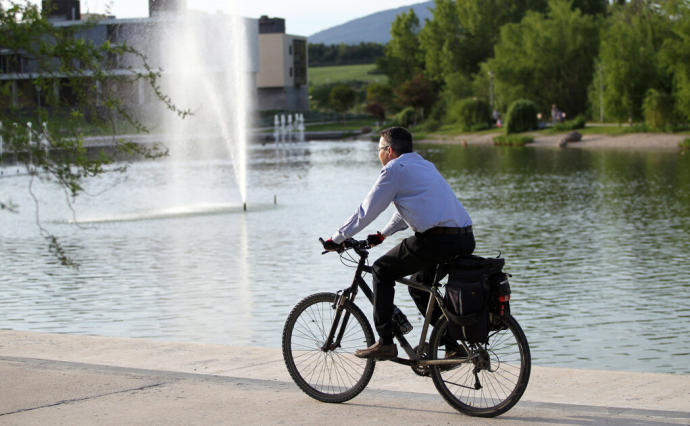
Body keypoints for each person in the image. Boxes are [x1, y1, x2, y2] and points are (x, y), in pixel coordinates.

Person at [322, 127, 475, 360]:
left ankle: (385, 342)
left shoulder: (393, 170)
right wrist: (382, 235)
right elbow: (412, 208)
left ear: (389, 150)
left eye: (379, 150)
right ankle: (451, 345)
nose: (378, 155)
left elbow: (365, 211)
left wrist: (337, 238)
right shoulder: (424, 165)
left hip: (437, 240)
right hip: (463, 238)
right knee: (419, 287)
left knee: (382, 270)